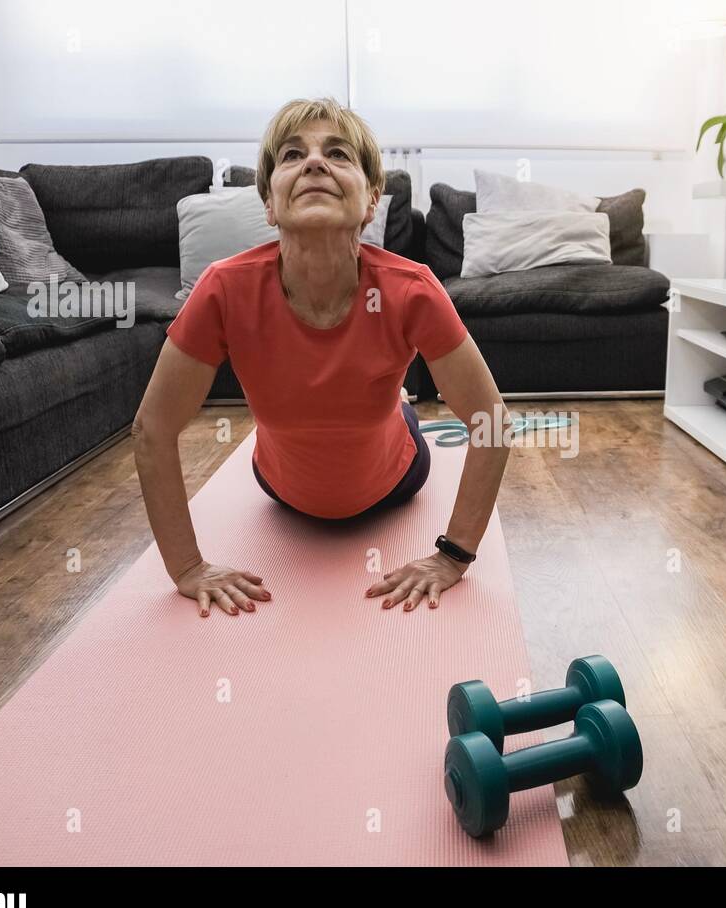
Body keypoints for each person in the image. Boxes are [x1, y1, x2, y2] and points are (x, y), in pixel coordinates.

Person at [132, 97, 511, 618]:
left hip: (396, 480)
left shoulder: (412, 290)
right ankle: (394, 397)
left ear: (372, 200)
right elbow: (152, 429)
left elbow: (493, 423)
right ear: (268, 204)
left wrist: (453, 557)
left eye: (337, 153)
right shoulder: (222, 288)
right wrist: (187, 568)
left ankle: (399, 406)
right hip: (280, 486)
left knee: (398, 416)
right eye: (292, 155)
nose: (314, 162)